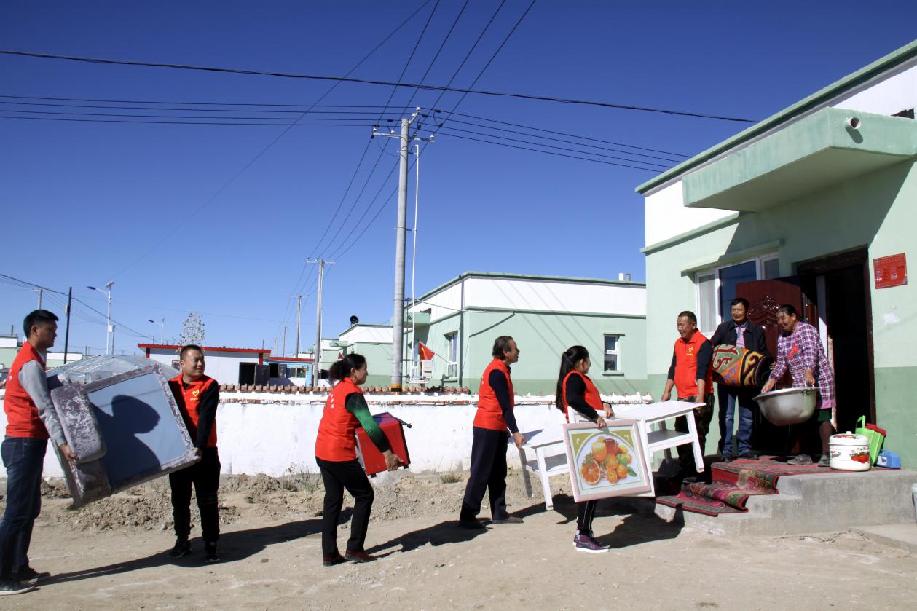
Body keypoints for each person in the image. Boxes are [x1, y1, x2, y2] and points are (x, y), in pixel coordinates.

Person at [0, 310, 77, 595]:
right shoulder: (30, 364)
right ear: (35, 330)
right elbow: (44, 408)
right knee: (16, 513)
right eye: (51, 330)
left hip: (28, 442)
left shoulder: (35, 361)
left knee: (29, 509)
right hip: (22, 443)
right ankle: (2, 574)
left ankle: (19, 567)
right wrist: (63, 443)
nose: (55, 334)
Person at [314, 354, 401, 567]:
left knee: (333, 500)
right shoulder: (353, 393)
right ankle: (354, 548)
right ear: (354, 372)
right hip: (339, 454)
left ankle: (329, 553)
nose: (367, 373)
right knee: (365, 495)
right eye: (364, 369)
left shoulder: (338, 389)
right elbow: (370, 426)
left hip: (322, 451)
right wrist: (387, 452)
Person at [459, 336, 525, 529]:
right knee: (480, 472)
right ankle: (467, 515)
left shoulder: (501, 369)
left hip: (496, 427)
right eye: (514, 348)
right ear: (505, 352)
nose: (517, 351)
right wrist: (515, 431)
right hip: (487, 427)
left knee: (498, 472)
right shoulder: (496, 372)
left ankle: (499, 512)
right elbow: (505, 406)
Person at [555, 346, 615, 553]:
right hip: (586, 439)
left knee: (592, 487)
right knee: (591, 487)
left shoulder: (578, 378)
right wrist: (595, 416)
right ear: (581, 361)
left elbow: (588, 400)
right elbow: (574, 400)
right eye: (588, 360)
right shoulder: (574, 378)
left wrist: (604, 405)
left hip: (590, 438)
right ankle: (583, 533)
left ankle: (584, 532)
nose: (589, 364)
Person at [761, 304, 835, 466]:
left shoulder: (806, 330)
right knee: (802, 417)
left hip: (819, 380)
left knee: (822, 416)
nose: (781, 322)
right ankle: (805, 454)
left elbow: (811, 352)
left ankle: (826, 454)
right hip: (801, 383)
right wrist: (771, 380)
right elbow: (781, 363)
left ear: (793, 316)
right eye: (778, 319)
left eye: (783, 318)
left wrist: (808, 371)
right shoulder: (782, 338)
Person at [167, 344, 222, 563]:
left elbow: (206, 419)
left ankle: (211, 544)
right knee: (179, 500)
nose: (200, 364)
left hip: (204, 453)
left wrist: (198, 448)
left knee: (207, 501)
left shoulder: (210, 386)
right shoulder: (170, 386)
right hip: (179, 455)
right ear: (182, 364)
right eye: (195, 360)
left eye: (202, 360)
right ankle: (182, 541)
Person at [710, 298, 768, 460]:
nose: (735, 313)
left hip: (747, 380)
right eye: (733, 310)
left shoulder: (756, 331)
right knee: (727, 416)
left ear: (746, 311)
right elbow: (713, 346)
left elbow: (763, 354)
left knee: (746, 416)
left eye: (739, 310)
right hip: (726, 380)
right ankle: (727, 450)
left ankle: (744, 449)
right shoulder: (723, 328)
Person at [661, 311, 714, 478]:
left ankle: (697, 470)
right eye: (678, 325)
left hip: (698, 396)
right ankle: (685, 468)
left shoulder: (703, 343)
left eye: (682, 325)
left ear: (693, 325)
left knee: (697, 433)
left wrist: (699, 398)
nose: (680, 328)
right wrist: (667, 391)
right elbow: (673, 368)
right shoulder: (678, 343)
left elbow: (702, 371)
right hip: (682, 398)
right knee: (681, 431)